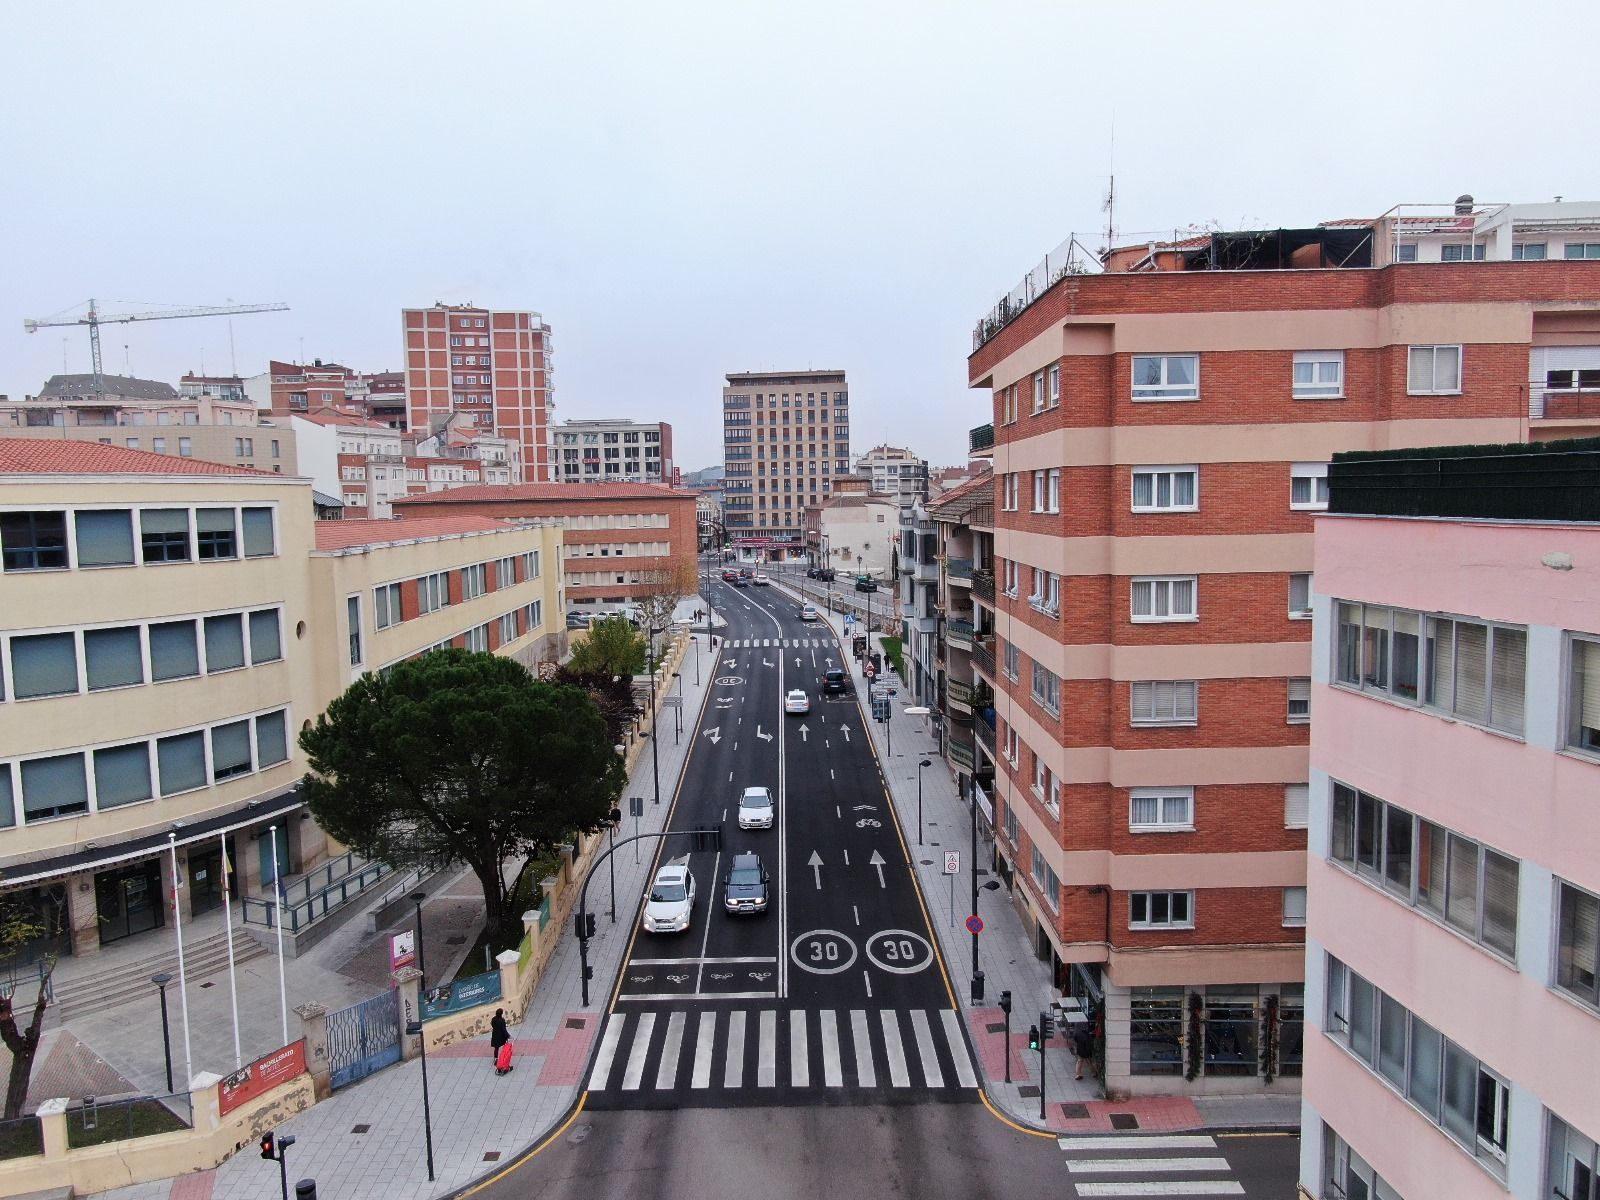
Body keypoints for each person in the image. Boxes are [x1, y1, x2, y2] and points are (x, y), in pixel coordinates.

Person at [490, 1008, 510, 1074]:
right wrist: (508, 1036)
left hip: (495, 1035)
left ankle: (496, 1059)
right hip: (501, 1036)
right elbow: (504, 1030)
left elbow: (492, 1024)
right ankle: (503, 1058)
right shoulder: (502, 1020)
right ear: (501, 1014)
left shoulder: (493, 1019)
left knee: (496, 1048)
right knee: (505, 1046)